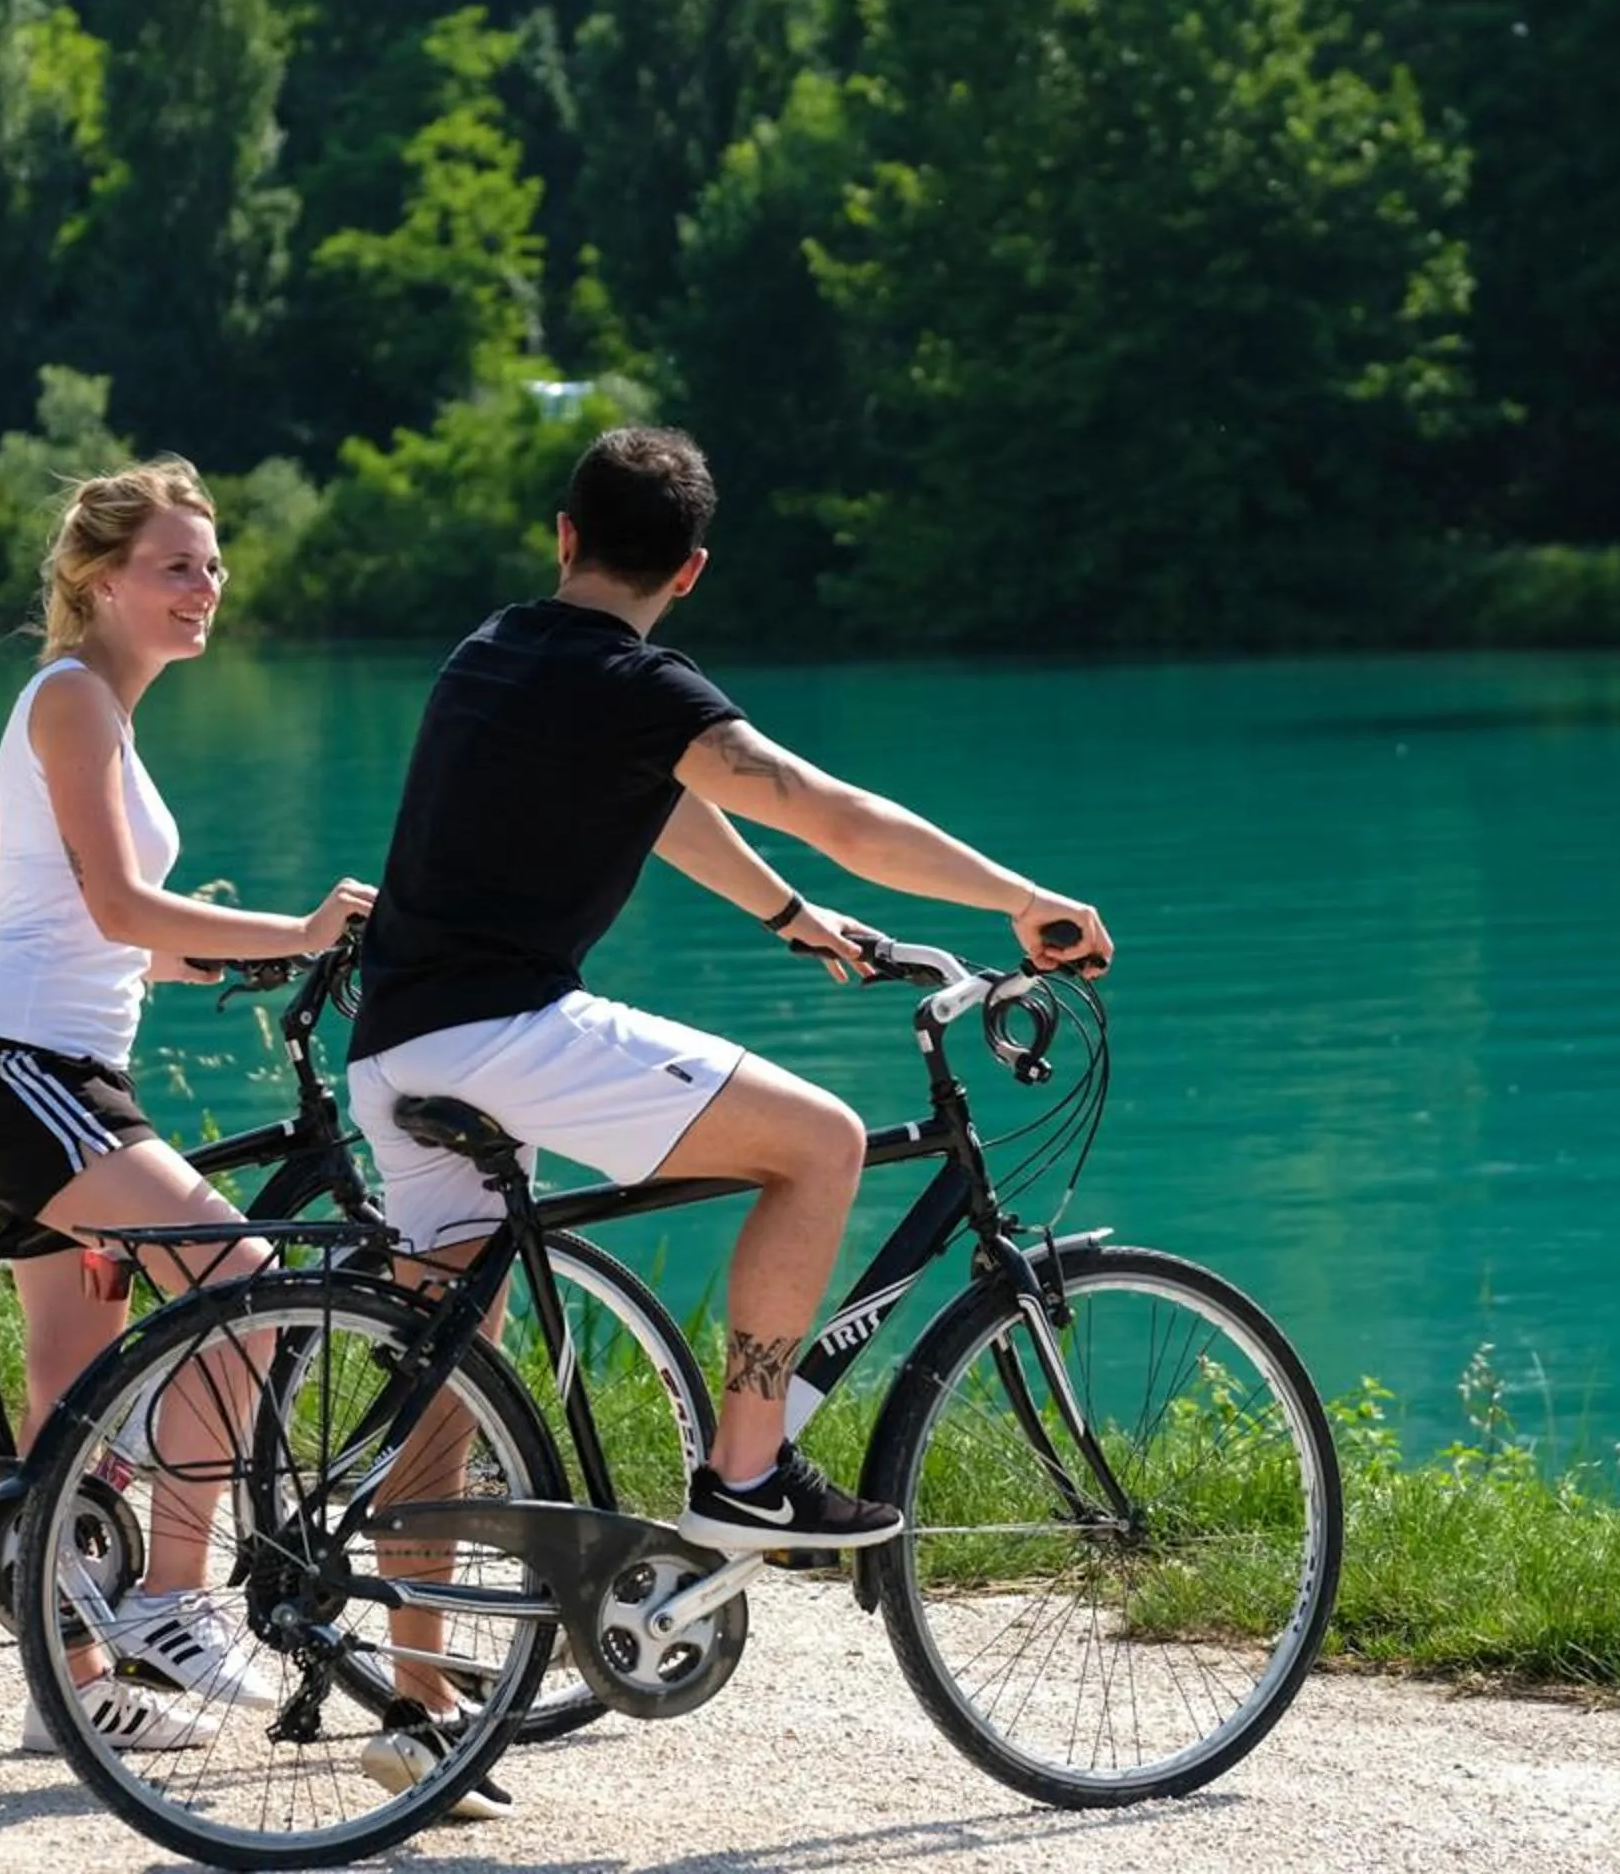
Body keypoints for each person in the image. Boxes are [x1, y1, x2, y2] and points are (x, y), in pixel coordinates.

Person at [342, 424, 1113, 1786]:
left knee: (450, 1362)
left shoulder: (494, 650)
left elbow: (669, 799)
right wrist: (1021, 901)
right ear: (691, 571)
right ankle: (745, 1472)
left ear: (563, 535)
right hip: (509, 1031)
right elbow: (829, 806)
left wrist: (788, 914)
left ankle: (420, 1707)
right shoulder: (644, 684)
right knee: (817, 1143)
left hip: (396, 1048)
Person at [0, 458, 380, 1759]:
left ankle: (59, 1685)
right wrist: (292, 929)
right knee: (242, 1286)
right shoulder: (71, 699)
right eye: (177, 566)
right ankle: (175, 1597)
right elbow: (120, 910)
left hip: (31, 1072)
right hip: (34, 1080)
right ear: (101, 581)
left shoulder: (86, 717)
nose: (206, 588)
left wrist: (240, 957)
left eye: (214, 565)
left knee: (68, 1383)